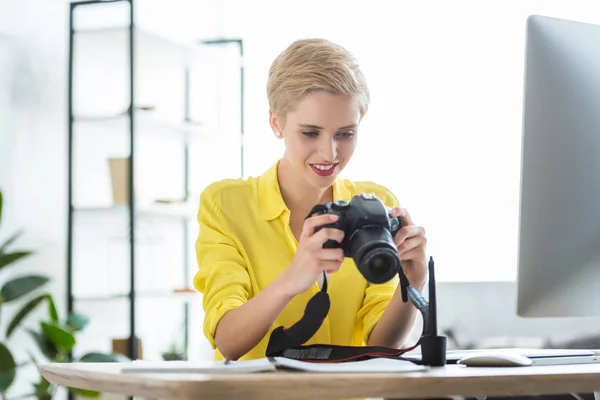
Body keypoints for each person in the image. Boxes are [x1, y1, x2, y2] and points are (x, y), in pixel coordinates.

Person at [193, 38, 428, 362]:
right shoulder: (225, 205)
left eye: (345, 133)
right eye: (310, 133)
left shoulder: (376, 203)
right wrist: (294, 277)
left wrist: (412, 285)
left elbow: (381, 347)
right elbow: (228, 342)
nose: (329, 153)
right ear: (276, 122)